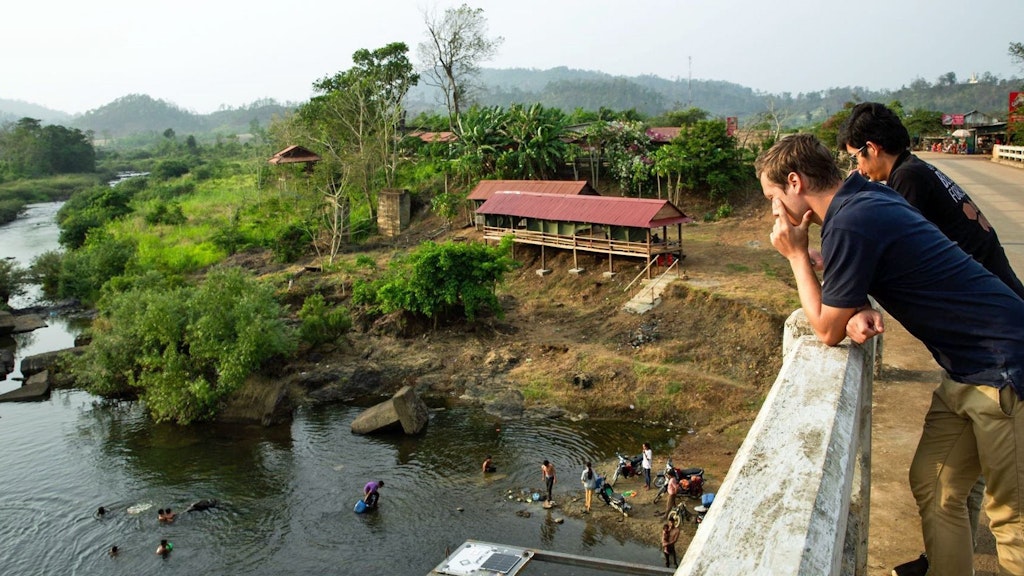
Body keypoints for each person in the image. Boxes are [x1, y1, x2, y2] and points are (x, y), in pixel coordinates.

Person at [755, 133, 1024, 576]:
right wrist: (855, 302)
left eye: (773, 197)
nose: (774, 210)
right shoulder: (866, 196)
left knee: (1012, 520)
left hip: (1005, 369)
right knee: (935, 486)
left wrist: (797, 256)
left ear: (795, 182)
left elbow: (824, 330)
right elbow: (863, 271)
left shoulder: (850, 221)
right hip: (968, 369)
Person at [839, 102, 1024, 575]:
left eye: (857, 161)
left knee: (1010, 513)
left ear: (872, 148)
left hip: (995, 347)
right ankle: (944, 556)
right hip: (981, 339)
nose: (861, 173)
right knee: (945, 480)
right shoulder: (917, 172)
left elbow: (898, 255)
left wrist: (850, 288)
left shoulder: (906, 183)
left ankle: (945, 553)